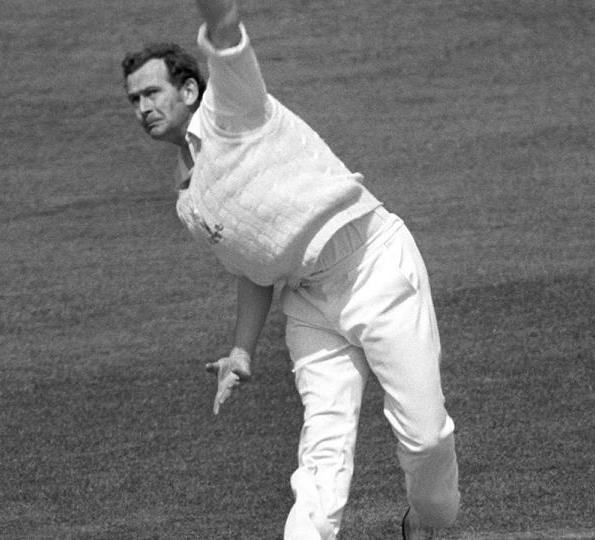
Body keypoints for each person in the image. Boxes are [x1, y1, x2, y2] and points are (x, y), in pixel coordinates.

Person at [122, 1, 460, 538]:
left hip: (373, 264)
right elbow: (253, 265)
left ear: (188, 91)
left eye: (151, 92)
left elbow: (227, 31)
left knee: (427, 440)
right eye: (134, 99)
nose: (141, 107)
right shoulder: (188, 202)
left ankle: (421, 523)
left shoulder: (230, 110)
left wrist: (215, 13)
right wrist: (242, 349)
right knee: (322, 457)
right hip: (308, 304)